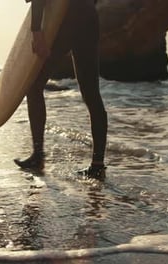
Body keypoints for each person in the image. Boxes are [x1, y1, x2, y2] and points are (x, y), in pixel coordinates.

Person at [14, 0, 108, 179]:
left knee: (33, 86)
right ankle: (98, 165)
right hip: (88, 15)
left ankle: (38, 155)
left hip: (66, 18)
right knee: (91, 93)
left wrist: (37, 31)